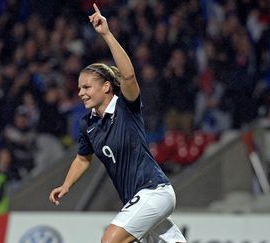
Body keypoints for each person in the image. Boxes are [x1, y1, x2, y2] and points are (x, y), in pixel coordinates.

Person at [49, 4, 186, 243]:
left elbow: (129, 76)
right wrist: (66, 185)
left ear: (106, 87)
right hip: (140, 200)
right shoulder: (88, 124)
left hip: (153, 191)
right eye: (79, 87)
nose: (80, 92)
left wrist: (106, 35)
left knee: (109, 240)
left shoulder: (126, 107)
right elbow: (83, 158)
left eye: (87, 87)